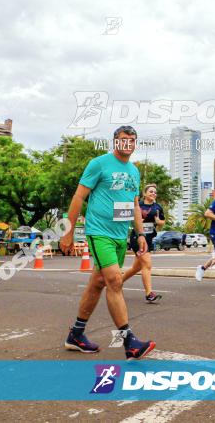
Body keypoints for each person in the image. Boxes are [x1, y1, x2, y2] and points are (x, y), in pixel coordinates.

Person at [59, 125, 155, 359]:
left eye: (132, 140)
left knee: (98, 282)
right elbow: (79, 196)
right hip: (99, 232)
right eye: (124, 139)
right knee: (114, 281)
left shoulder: (134, 171)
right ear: (115, 142)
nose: (128, 144)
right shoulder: (99, 163)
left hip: (120, 235)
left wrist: (140, 235)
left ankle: (76, 334)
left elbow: (134, 206)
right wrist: (67, 231)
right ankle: (129, 341)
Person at [122, 184, 164, 303]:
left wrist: (158, 221)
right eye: (151, 191)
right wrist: (136, 221)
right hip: (137, 237)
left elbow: (162, 222)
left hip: (149, 239)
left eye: (155, 192)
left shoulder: (158, 207)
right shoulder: (138, 205)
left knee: (136, 268)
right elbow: (128, 217)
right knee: (147, 263)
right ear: (144, 194)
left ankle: (117, 282)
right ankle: (149, 293)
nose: (153, 194)